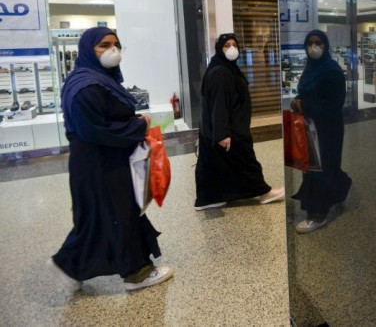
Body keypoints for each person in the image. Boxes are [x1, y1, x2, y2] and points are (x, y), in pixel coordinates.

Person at [49, 27, 173, 293]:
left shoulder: (100, 79)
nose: (112, 50)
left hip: (106, 161)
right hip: (99, 164)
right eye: (103, 45)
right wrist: (138, 127)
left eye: (116, 44)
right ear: (88, 50)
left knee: (104, 217)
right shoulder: (86, 86)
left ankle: (72, 266)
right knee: (117, 215)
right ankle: (134, 273)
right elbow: (94, 130)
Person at [195, 33, 284, 210]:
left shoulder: (223, 68)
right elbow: (219, 104)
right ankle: (263, 192)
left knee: (216, 164)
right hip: (230, 129)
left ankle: (211, 197)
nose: (231, 49)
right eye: (226, 45)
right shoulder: (221, 72)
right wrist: (222, 133)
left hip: (223, 127)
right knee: (246, 160)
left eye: (234, 44)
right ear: (219, 49)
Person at [290, 30, 352, 233]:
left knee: (320, 169)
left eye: (318, 43)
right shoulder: (311, 68)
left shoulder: (332, 71)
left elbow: (334, 105)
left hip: (327, 129)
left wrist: (303, 105)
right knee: (320, 166)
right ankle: (340, 188)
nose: (313, 47)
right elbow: (308, 92)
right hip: (311, 126)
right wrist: (298, 101)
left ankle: (317, 214)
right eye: (310, 43)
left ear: (326, 46)